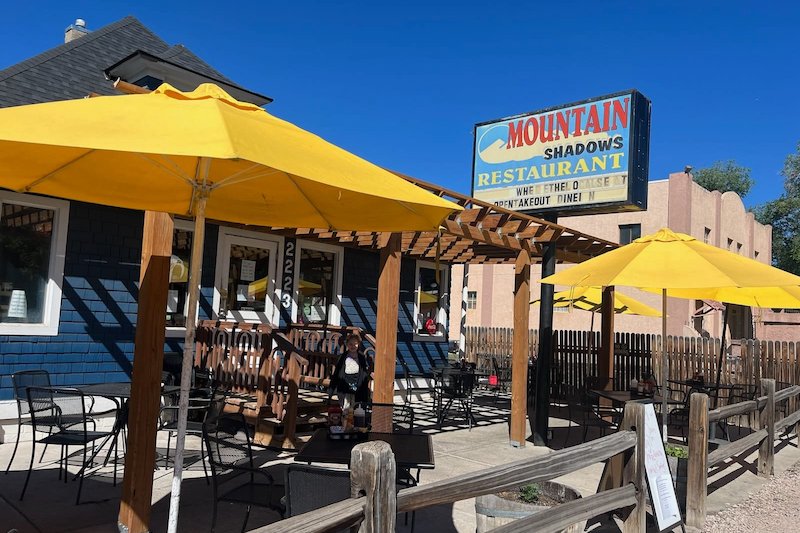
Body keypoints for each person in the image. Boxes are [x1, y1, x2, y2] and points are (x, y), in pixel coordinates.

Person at [329, 333, 373, 412]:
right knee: (346, 408)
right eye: (350, 344)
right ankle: (346, 422)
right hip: (345, 384)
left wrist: (361, 386)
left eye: (355, 344)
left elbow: (363, 374)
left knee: (356, 408)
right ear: (347, 345)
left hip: (357, 384)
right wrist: (330, 391)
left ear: (358, 344)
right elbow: (337, 373)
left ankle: (355, 422)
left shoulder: (361, 357)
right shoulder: (343, 357)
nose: (353, 346)